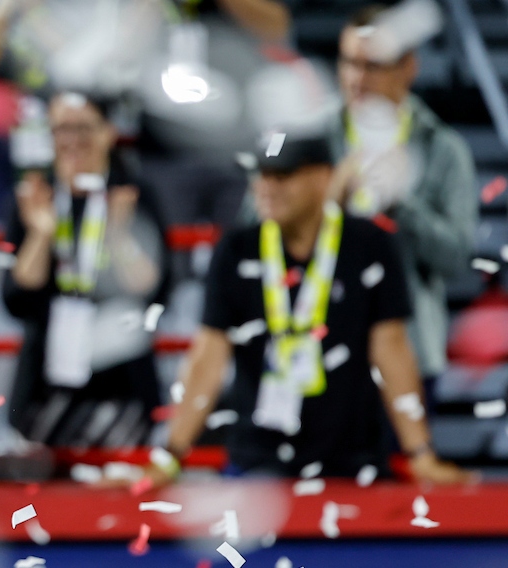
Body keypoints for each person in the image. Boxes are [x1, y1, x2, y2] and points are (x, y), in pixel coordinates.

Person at [137, 132, 473, 485]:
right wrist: (170, 455)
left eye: (282, 176)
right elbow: (208, 356)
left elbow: (391, 351)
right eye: (261, 176)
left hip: (351, 462)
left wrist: (420, 454)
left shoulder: (371, 247)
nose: (267, 187)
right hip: (258, 462)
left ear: (323, 178)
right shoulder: (238, 249)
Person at [2, 92, 167, 448]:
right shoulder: (36, 195)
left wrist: (120, 234)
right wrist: (41, 233)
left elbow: (154, 292)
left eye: (82, 128)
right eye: (61, 129)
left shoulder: (133, 194)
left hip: (121, 382)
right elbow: (16, 298)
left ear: (107, 132)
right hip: (47, 384)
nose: (72, 140)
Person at [332, 5, 477, 399]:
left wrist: (401, 206)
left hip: (409, 351)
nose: (357, 79)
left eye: (372, 65)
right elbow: (252, 228)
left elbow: (457, 258)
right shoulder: (309, 142)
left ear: (408, 66)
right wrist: (329, 201)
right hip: (318, 349)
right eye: (348, 63)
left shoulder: (444, 148)